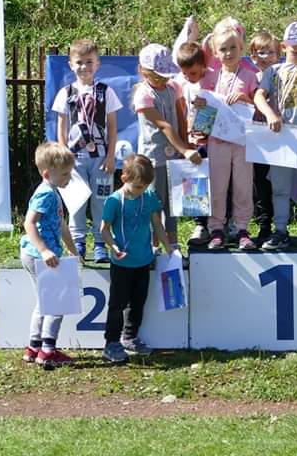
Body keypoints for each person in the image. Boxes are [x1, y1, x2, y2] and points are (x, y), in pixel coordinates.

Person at [253, 15, 297, 251]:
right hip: (282, 135)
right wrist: (270, 114)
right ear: (284, 47)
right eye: (296, 52)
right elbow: (258, 96)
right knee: (280, 187)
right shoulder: (273, 71)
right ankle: (280, 230)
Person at [99, 154, 174, 362]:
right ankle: (111, 343)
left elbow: (157, 224)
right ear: (124, 179)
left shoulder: (148, 197)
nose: (142, 190)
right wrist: (113, 246)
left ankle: (130, 337)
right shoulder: (114, 201)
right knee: (117, 304)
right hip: (121, 262)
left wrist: (168, 248)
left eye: (145, 186)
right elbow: (103, 230)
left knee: (138, 302)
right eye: (138, 187)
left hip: (144, 260)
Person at [52, 39, 121, 262]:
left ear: (97, 64)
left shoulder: (105, 92)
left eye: (89, 62)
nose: (84, 67)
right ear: (71, 64)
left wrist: (111, 156)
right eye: (79, 62)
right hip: (74, 159)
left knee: (102, 200)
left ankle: (101, 243)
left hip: (101, 157)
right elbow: (61, 125)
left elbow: (112, 125)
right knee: (76, 201)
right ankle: (78, 243)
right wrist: (63, 155)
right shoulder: (66, 92)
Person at [133, 44, 202, 250]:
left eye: (166, 75)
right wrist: (185, 150)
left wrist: (187, 143)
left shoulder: (173, 88)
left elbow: (180, 116)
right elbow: (163, 125)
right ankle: (154, 247)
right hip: (153, 158)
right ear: (144, 72)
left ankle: (172, 245)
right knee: (155, 204)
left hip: (175, 160)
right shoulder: (143, 95)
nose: (163, 80)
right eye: (157, 76)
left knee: (173, 205)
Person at [199, 19, 260, 251]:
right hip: (217, 140)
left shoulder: (250, 75)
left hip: (244, 141)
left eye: (233, 48)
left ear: (241, 48)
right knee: (217, 186)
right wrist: (200, 102)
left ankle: (242, 228)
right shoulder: (210, 76)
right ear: (215, 52)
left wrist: (245, 98)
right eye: (222, 49)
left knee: (243, 186)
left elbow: (259, 104)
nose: (228, 53)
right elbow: (204, 105)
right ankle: (216, 229)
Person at [19, 141, 78, 368]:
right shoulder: (45, 194)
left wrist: (72, 249)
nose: (68, 178)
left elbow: (61, 224)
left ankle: (34, 347)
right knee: (56, 303)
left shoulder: (53, 192)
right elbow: (29, 223)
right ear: (47, 173)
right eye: (64, 174)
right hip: (39, 256)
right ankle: (48, 351)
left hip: (41, 254)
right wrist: (44, 250)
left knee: (44, 302)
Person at [174, 41, 212, 246]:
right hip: (193, 142)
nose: (189, 77)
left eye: (194, 73)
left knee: (219, 184)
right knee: (195, 184)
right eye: (185, 73)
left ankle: (223, 224)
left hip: (214, 140)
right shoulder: (181, 85)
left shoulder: (213, 80)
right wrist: (185, 141)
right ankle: (200, 225)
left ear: (204, 66)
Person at [248, 30, 280, 244]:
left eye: (271, 52)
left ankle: (282, 226)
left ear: (279, 54)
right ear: (252, 56)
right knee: (259, 183)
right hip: (256, 137)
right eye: (261, 52)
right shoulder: (250, 78)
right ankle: (264, 224)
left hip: (280, 136)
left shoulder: (282, 74)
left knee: (279, 183)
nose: (266, 57)